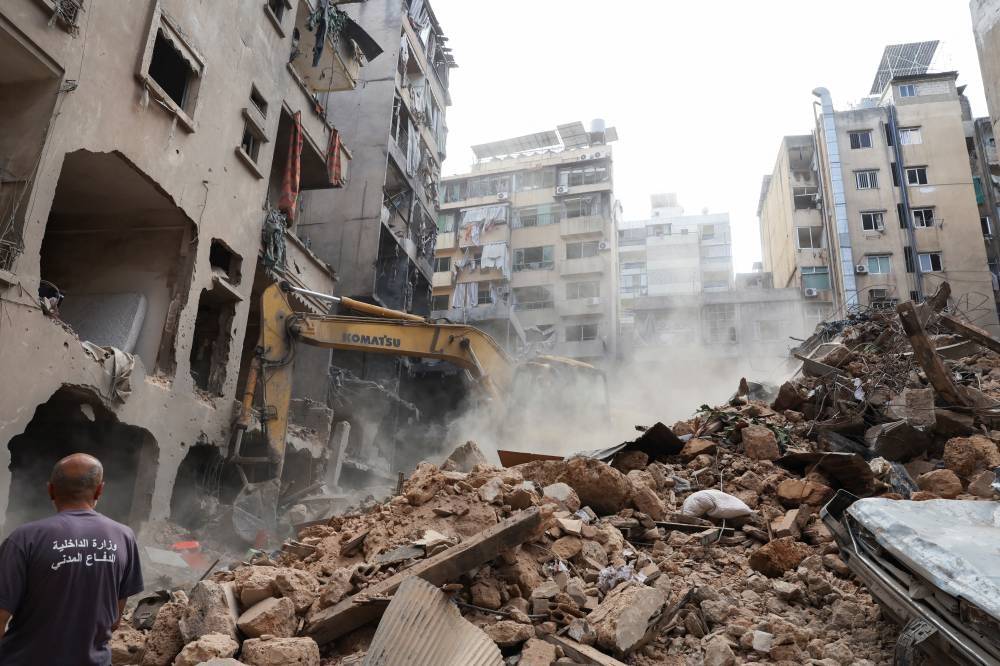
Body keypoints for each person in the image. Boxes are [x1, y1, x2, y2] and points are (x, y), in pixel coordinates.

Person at [0, 453, 144, 665]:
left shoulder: (24, 539)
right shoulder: (124, 537)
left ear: (50, 490)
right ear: (99, 490)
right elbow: (114, 620)